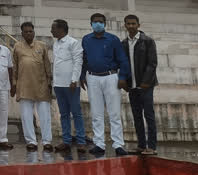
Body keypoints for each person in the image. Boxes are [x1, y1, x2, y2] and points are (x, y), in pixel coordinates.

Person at [81, 13, 131, 156]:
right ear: (90, 24)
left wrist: (122, 77)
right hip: (92, 78)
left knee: (114, 113)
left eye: (100, 22)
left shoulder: (113, 39)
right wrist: (81, 76)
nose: (98, 24)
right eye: (95, 22)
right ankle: (99, 144)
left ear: (105, 24)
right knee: (96, 113)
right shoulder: (86, 39)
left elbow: (123, 60)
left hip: (111, 77)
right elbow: (83, 59)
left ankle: (118, 144)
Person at [12, 22, 53, 152]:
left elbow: (47, 65)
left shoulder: (42, 46)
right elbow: (15, 67)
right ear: (22, 33)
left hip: (41, 85)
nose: (29, 33)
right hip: (24, 85)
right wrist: (14, 84)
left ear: (34, 32)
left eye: (31, 31)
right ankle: (31, 141)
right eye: (26, 31)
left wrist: (49, 82)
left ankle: (47, 141)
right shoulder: (17, 46)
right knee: (26, 115)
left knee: (45, 115)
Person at [122, 15, 159, 155]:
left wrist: (146, 82)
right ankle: (141, 145)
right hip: (132, 86)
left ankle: (152, 146)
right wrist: (125, 81)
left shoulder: (147, 41)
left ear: (138, 24)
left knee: (149, 115)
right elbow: (123, 64)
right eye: (128, 24)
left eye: (133, 23)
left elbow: (152, 63)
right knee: (136, 116)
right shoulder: (124, 43)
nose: (131, 26)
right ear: (124, 25)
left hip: (145, 85)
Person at [50, 19, 86, 153]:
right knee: (63, 113)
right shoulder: (56, 43)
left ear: (61, 29)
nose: (51, 31)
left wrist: (74, 80)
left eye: (53, 28)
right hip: (58, 84)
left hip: (70, 84)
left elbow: (78, 62)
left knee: (76, 113)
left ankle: (81, 141)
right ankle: (66, 140)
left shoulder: (73, 42)